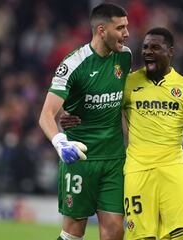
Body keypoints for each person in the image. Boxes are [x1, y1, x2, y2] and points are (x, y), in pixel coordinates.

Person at [61, 27, 183, 240]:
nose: (148, 52)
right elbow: (98, 106)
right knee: (142, 236)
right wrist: (74, 118)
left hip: (172, 169)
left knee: (181, 235)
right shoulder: (128, 83)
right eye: (145, 47)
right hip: (138, 171)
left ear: (170, 52)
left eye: (155, 47)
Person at [39, 3, 131, 240]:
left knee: (115, 229)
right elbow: (46, 115)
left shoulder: (125, 56)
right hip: (80, 158)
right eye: (120, 28)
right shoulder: (73, 65)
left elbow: (122, 101)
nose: (127, 33)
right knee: (74, 231)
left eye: (126, 27)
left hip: (113, 159)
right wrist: (60, 142)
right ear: (101, 30)